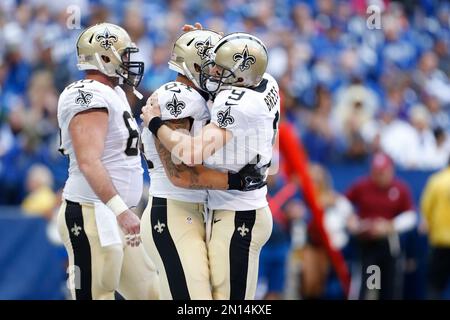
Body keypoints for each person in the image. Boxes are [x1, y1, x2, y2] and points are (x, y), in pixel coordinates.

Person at [142, 32, 280, 300]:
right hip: (194, 210)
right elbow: (180, 174)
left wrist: (156, 123)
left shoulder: (238, 103)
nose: (214, 72)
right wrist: (204, 39)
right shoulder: (265, 81)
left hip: (233, 211)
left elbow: (189, 155)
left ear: (240, 77)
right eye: (212, 63)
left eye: (221, 68)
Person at [56, 23, 159, 300]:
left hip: (114, 212)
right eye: (123, 55)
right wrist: (120, 210)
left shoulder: (113, 93)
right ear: (104, 57)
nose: (129, 62)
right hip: (92, 211)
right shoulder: (88, 94)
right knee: (96, 294)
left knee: (151, 292)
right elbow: (88, 161)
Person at [345, 152, 416, 300]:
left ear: (391, 170)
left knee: (389, 287)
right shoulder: (362, 186)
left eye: (383, 172)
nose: (380, 176)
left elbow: (410, 216)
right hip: (368, 246)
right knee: (370, 286)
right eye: (376, 172)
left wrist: (390, 226)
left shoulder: (400, 188)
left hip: (389, 245)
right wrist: (351, 219)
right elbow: (344, 203)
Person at [420, 157, 450, 299]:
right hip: (440, 241)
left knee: (435, 285)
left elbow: (426, 207)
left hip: (440, 240)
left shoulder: (437, 180)